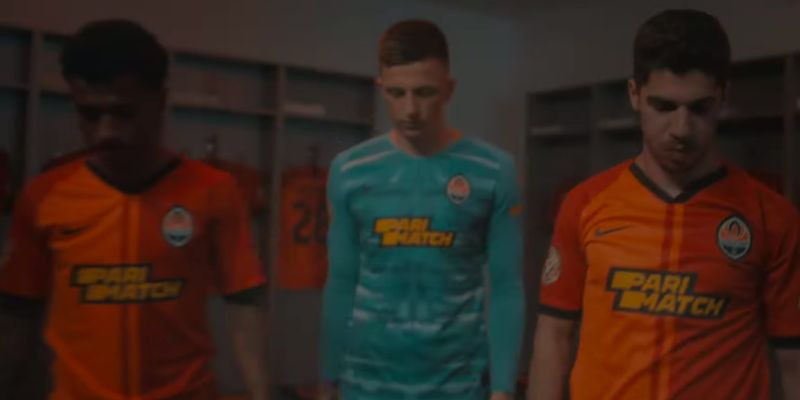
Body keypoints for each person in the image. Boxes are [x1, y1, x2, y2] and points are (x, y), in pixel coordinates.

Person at [527, 9, 800, 400]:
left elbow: (793, 361)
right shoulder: (584, 204)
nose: (681, 129)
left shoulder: (771, 217)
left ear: (723, 97)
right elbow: (554, 335)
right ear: (634, 95)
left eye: (699, 108)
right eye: (664, 107)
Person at [0, 19, 270, 400]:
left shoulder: (215, 191)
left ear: (159, 101)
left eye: (123, 113)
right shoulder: (44, 196)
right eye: (90, 115)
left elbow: (244, 304)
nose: (106, 131)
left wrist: (261, 393)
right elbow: (16, 314)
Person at [319, 19, 525, 400]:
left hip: (458, 385)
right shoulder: (349, 171)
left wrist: (503, 388)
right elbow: (341, 281)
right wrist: (327, 378)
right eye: (397, 93)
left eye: (424, 92)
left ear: (449, 89)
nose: (410, 109)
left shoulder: (494, 170)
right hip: (366, 385)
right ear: (381, 88)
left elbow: (506, 287)